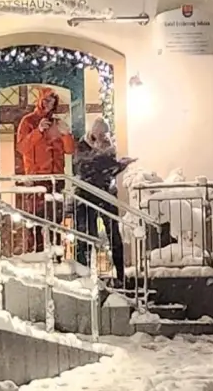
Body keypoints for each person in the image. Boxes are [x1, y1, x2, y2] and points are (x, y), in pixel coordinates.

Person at [15, 90, 73, 252]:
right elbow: (22, 147)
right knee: (35, 218)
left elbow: (69, 150)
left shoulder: (57, 123)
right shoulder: (28, 121)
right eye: (46, 100)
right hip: (37, 178)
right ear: (40, 100)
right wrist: (38, 131)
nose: (49, 105)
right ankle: (35, 251)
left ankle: (57, 254)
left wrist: (66, 134)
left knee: (56, 219)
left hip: (56, 178)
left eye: (52, 102)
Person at [73, 121, 131, 283]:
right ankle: (86, 275)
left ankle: (120, 276)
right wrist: (108, 158)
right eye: (99, 134)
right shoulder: (82, 147)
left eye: (105, 135)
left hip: (106, 195)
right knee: (87, 236)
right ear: (92, 133)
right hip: (86, 198)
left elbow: (108, 170)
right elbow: (86, 167)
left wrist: (120, 166)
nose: (102, 138)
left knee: (114, 236)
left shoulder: (109, 147)